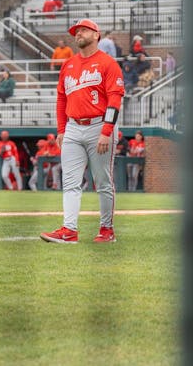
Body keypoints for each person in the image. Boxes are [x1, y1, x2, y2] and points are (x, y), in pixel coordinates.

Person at [41, 17, 125, 245]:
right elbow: (61, 98)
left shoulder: (108, 63)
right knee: (70, 181)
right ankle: (69, 230)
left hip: (99, 125)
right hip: (72, 128)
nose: (78, 33)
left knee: (103, 181)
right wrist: (60, 129)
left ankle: (107, 230)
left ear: (96, 35)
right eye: (76, 31)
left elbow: (115, 100)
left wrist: (107, 131)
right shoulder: (68, 64)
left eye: (84, 30)